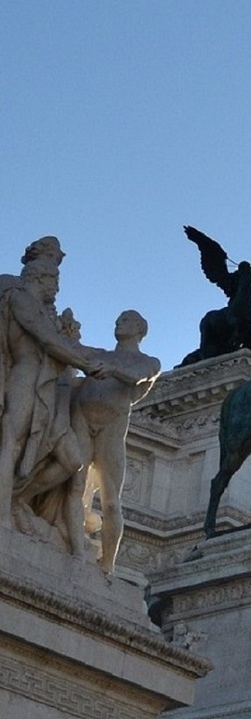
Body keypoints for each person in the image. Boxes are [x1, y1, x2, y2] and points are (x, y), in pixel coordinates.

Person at [13, 311, 160, 569]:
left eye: (125, 320)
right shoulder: (100, 354)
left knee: (110, 501)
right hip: (82, 419)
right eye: (117, 320)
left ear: (139, 328)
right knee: (75, 484)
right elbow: (71, 351)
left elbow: (139, 376)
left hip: (110, 430)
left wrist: (111, 368)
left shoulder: (149, 361)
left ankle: (108, 564)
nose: (118, 322)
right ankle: (74, 547)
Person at [0, 238, 109, 530]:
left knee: (71, 460)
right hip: (25, 377)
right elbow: (47, 341)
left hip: (48, 386)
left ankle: (16, 499)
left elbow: (56, 341)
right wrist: (85, 363)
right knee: (12, 442)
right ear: (40, 276)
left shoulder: (43, 310)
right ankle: (3, 517)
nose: (57, 288)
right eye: (54, 280)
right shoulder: (19, 297)